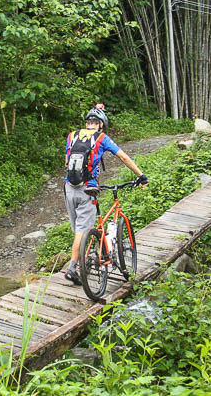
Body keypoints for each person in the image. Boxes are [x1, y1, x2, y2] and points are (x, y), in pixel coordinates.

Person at [63, 104, 148, 285]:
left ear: (87, 123)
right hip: (88, 188)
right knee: (82, 231)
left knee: (77, 230)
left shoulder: (72, 136)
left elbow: (67, 162)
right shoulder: (102, 138)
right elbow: (123, 157)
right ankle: (72, 267)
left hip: (69, 188)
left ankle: (85, 257)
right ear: (100, 124)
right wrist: (140, 175)